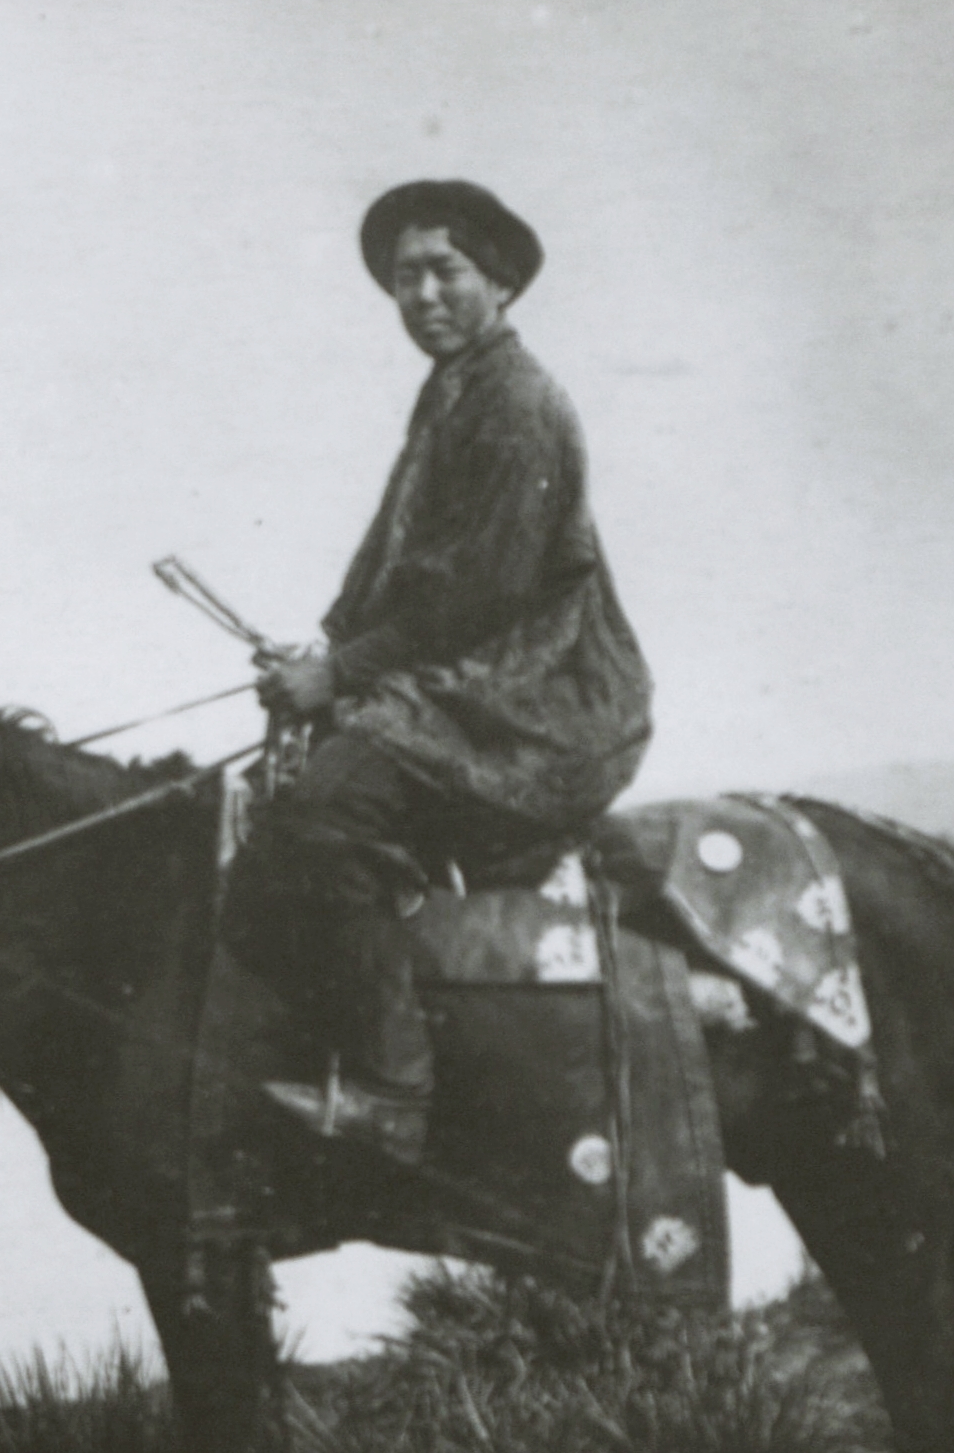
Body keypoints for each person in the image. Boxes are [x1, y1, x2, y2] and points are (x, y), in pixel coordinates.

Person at [222, 179, 653, 1165]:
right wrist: (323, 655)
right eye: (402, 277)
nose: (420, 294)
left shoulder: (515, 404)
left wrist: (339, 677)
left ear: (496, 279)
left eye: (442, 270)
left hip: (529, 694)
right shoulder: (453, 393)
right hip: (463, 678)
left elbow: (480, 593)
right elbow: (395, 571)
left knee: (316, 816)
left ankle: (393, 1090)